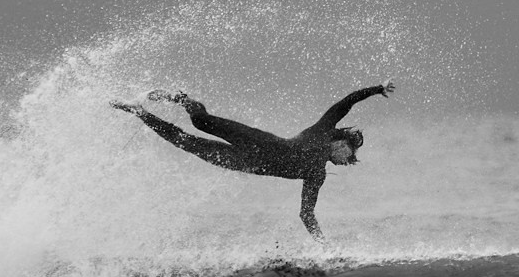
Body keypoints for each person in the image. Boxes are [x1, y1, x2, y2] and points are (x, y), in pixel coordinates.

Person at [112, 82, 395, 237]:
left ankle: (139, 112)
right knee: (201, 120)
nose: (349, 160)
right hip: (258, 141)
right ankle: (181, 97)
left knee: (186, 142)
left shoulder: (316, 175)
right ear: (342, 141)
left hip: (244, 162)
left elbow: (306, 214)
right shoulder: (323, 129)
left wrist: (324, 245)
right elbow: (347, 101)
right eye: (351, 153)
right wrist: (377, 88)